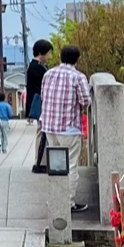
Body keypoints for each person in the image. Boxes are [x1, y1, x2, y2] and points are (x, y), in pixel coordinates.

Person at [40, 44, 92, 210]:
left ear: (60, 57)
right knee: (70, 166)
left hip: (49, 127)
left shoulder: (48, 74)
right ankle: (66, 202)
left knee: (55, 166)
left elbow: (43, 95)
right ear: (77, 59)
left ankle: (54, 199)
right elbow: (85, 101)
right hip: (69, 128)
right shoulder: (78, 77)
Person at [26, 38, 52, 170]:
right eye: (49, 53)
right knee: (42, 131)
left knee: (41, 130)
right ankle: (40, 162)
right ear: (42, 53)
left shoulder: (34, 66)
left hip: (37, 101)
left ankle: (41, 161)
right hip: (40, 102)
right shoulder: (37, 68)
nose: (50, 56)